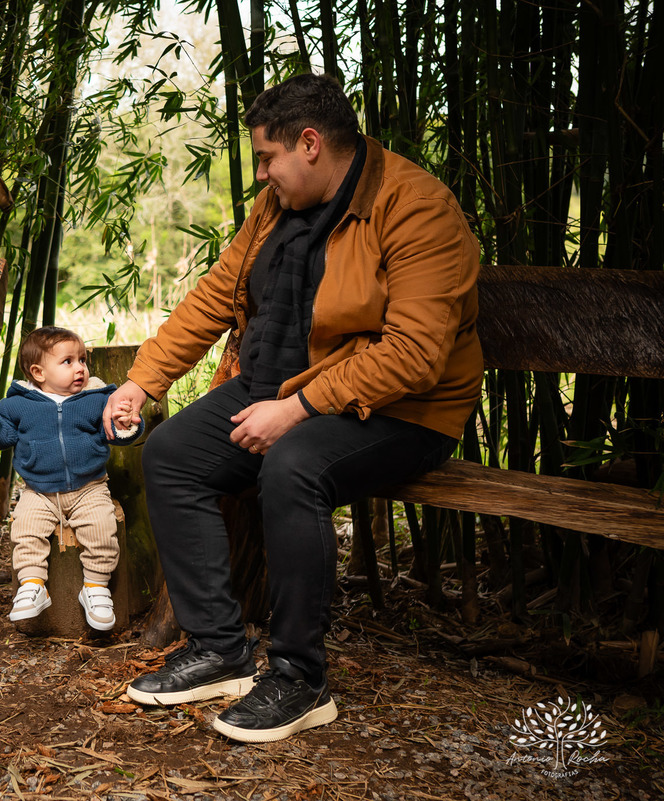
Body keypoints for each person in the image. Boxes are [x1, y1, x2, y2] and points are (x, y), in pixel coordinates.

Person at [102, 74, 483, 743]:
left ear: (310, 144)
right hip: (282, 387)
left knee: (292, 466)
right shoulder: (277, 206)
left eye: (266, 158)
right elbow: (216, 294)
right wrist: (142, 382)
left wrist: (301, 407)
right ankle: (220, 649)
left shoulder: (417, 208)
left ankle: (300, 677)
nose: (261, 174)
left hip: (403, 410)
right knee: (171, 453)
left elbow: (416, 354)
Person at [0, 327, 142, 630]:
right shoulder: (19, 404)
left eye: (82, 360)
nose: (80, 368)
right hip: (38, 491)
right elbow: (1, 435)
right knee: (25, 530)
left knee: (102, 529)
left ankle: (96, 587)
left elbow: (115, 431)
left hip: (89, 487)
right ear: (38, 372)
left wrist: (125, 423)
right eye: (68, 361)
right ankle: (33, 585)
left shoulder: (97, 399)